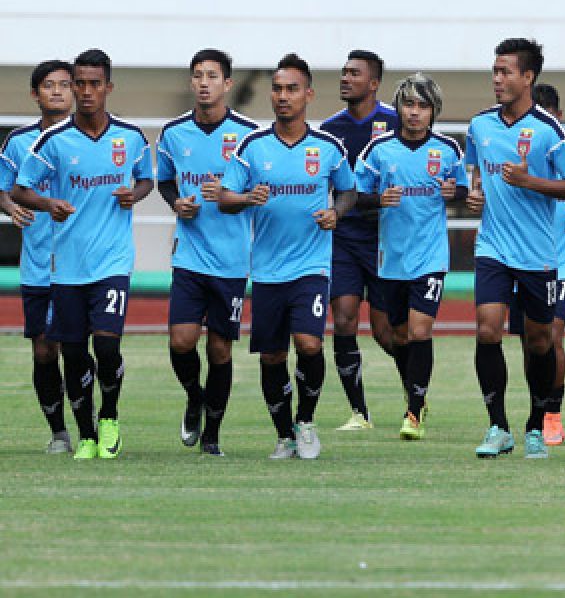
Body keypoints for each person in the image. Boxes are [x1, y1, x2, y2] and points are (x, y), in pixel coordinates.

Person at [12, 48, 155, 460]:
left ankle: (109, 417)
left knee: (107, 348)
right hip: (67, 267)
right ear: (73, 87)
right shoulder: (52, 142)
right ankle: (86, 434)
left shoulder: (129, 137)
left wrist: (135, 194)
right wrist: (47, 204)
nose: (87, 91)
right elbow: (21, 190)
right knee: (73, 354)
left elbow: (146, 180)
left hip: (112, 261)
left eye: (95, 84)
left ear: (108, 87)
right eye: (81, 84)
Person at [218, 54, 357, 460]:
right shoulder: (252, 146)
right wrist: (245, 198)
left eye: (291, 89)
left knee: (309, 343)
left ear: (308, 95)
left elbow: (348, 190)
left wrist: (337, 212)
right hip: (265, 270)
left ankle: (307, 421)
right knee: (273, 355)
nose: (282, 96)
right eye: (277, 89)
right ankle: (284, 435)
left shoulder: (328, 148)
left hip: (311, 266)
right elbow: (225, 198)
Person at [464, 38, 565, 459]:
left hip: (537, 253)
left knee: (540, 341)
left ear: (528, 77)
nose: (497, 79)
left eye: (506, 71)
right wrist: (474, 196)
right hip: (492, 245)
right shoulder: (479, 125)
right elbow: (476, 179)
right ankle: (497, 426)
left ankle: (535, 425)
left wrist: (531, 182)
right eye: (494, 71)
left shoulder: (550, 130)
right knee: (487, 329)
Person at [156, 49, 258, 456]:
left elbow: (259, 194)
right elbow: (165, 183)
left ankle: (212, 435)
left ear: (227, 84)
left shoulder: (249, 135)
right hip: (189, 256)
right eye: (197, 75)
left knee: (219, 348)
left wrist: (234, 196)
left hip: (232, 259)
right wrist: (177, 202)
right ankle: (194, 397)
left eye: (212, 76)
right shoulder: (173, 133)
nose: (203, 82)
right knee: (181, 341)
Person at [355, 72, 467, 440]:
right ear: (399, 107)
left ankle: (413, 412)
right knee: (396, 337)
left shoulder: (448, 150)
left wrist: (455, 193)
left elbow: (464, 192)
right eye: (409, 104)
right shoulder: (379, 149)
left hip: (430, 257)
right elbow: (357, 195)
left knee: (420, 331)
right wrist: (377, 200)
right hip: (392, 258)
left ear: (434, 111)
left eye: (423, 106)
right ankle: (416, 393)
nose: (415, 112)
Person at [321, 50, 401, 432]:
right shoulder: (328, 130)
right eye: (343, 72)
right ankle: (359, 413)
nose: (345, 78)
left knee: (388, 334)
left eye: (354, 73)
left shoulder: (397, 122)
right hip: (344, 240)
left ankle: (414, 400)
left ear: (373, 83)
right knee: (343, 319)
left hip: (386, 240)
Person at [507, 83, 565, 446]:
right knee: (531, 342)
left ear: (556, 118)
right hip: (525, 258)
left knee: (552, 334)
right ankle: (537, 410)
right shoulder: (514, 160)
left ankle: (553, 414)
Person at [0, 60, 73, 453]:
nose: (58, 91)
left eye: (65, 84)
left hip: (84, 264)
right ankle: (59, 432)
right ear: (35, 94)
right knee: (44, 348)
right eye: (49, 85)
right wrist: (10, 207)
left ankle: (96, 421)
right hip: (38, 264)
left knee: (82, 347)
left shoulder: (91, 138)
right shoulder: (17, 141)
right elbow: (3, 188)